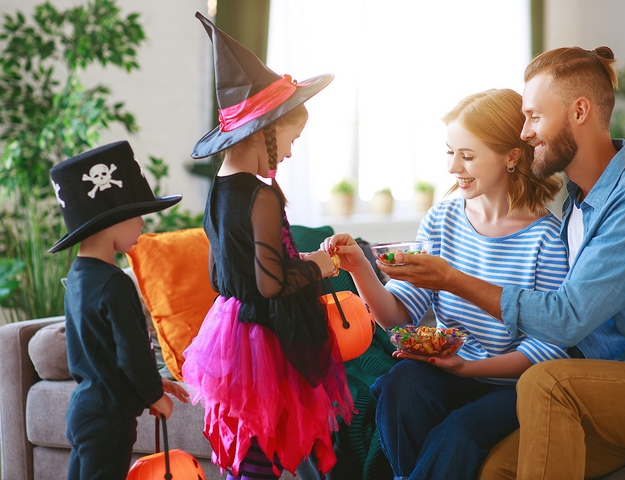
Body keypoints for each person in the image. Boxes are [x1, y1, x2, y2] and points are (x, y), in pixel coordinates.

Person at [379, 46, 625, 480]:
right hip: (613, 384)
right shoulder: (580, 203)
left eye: (535, 117)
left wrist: (451, 279)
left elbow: (567, 320)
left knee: (547, 382)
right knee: (497, 469)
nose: (523, 133)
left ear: (580, 111)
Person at [323, 88, 571, 480]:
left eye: (468, 156)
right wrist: (359, 268)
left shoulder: (547, 240)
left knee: (459, 433)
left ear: (511, 156)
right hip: (449, 369)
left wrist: (469, 368)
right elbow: (397, 319)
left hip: (513, 383)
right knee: (397, 387)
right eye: (450, 152)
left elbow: (549, 347)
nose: (454, 167)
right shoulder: (443, 220)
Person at [180, 13, 354, 480]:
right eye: (291, 140)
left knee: (250, 436)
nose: (292, 152)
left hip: (231, 324)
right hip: (264, 336)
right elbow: (272, 283)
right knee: (269, 439)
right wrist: (318, 265)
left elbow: (224, 274)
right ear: (263, 131)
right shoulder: (261, 195)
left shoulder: (218, 189)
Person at [48, 140, 189, 480]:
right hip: (109, 419)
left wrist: (152, 382)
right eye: (136, 214)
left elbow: (101, 352)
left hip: (84, 410)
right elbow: (131, 353)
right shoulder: (115, 283)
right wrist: (155, 395)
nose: (142, 223)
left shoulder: (78, 277)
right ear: (108, 222)